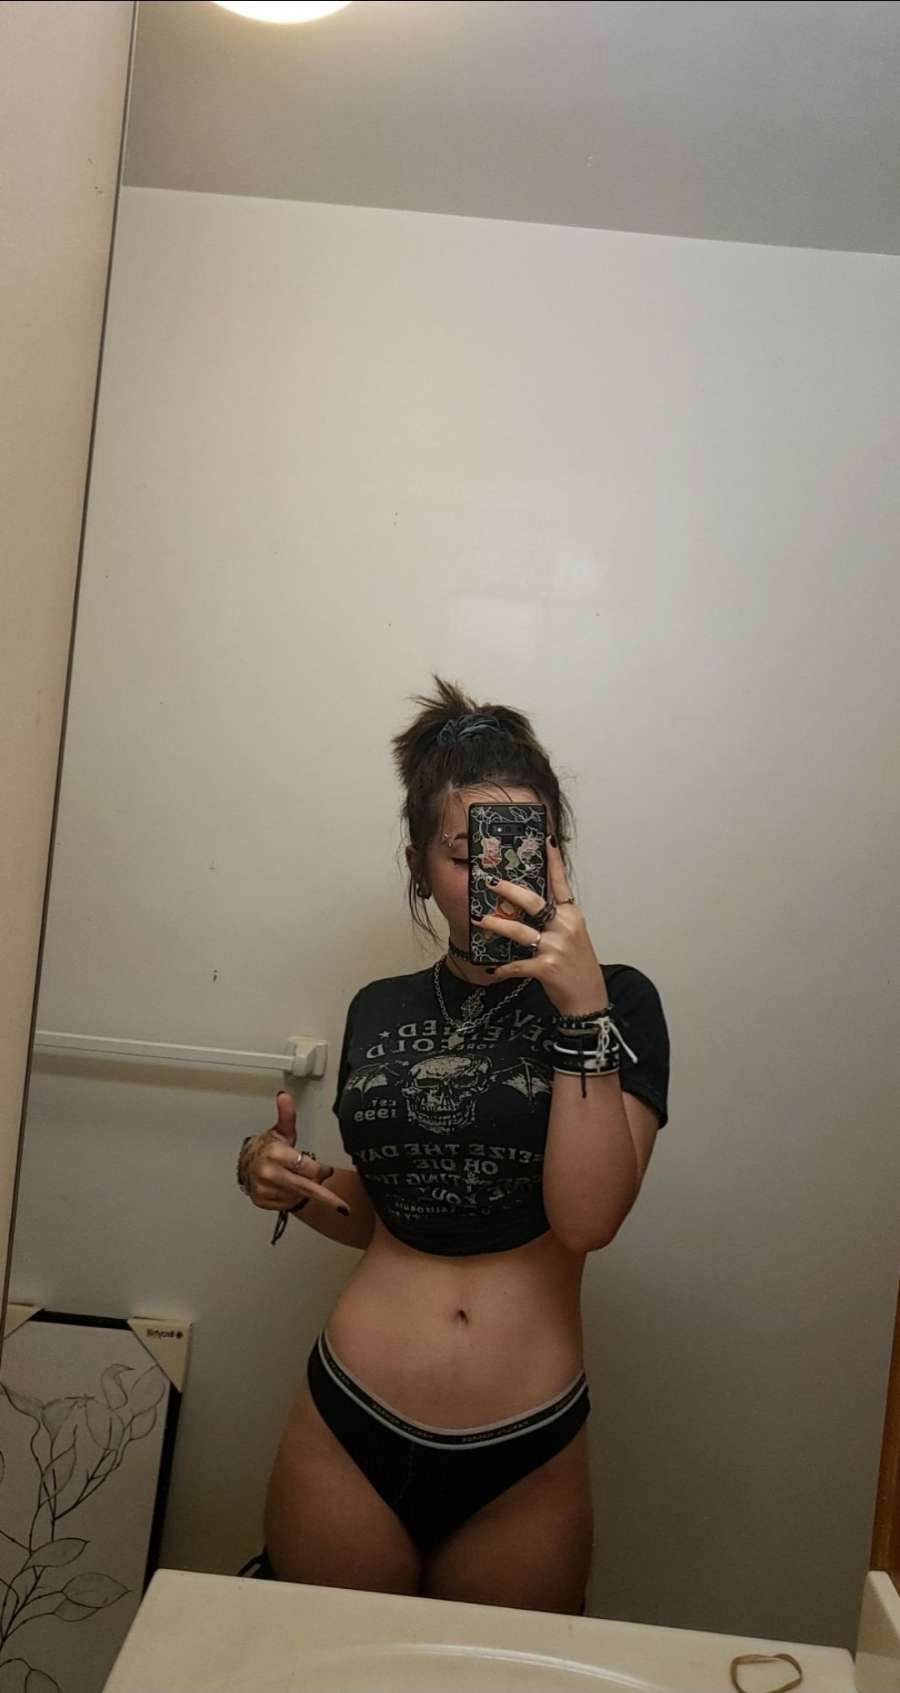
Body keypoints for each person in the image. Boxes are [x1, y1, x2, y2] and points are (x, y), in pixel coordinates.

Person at [235, 677, 669, 1616]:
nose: (491, 878)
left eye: (519, 850)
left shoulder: (622, 1001)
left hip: (525, 1441)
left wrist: (582, 1010)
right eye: (463, 853)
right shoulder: (377, 1007)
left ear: (555, 857)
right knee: (323, 1668)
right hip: (349, 1411)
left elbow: (587, 1219)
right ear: (417, 862)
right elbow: (388, 1213)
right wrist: (284, 1178)